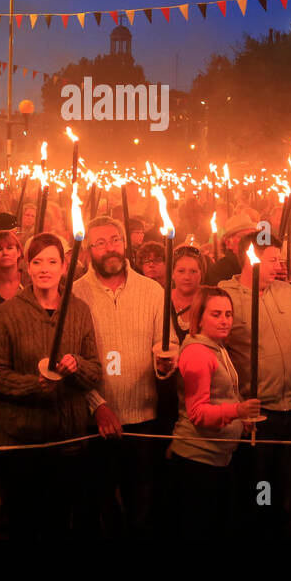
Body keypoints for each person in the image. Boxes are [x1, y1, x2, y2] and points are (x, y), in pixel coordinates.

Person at [0, 232, 102, 539]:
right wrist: (33, 385)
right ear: (27, 266)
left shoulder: (78, 311)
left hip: (68, 438)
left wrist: (76, 365)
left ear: (65, 266)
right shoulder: (9, 313)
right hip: (23, 439)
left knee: (60, 520)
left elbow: (96, 370)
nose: (45, 269)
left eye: (52, 261)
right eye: (37, 262)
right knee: (24, 521)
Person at [71, 216, 176, 536]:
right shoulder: (75, 294)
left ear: (126, 243)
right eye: (100, 243)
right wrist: (97, 405)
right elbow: (71, 359)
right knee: (93, 509)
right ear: (88, 250)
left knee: (141, 508)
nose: (109, 248)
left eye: (115, 239)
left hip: (143, 419)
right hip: (94, 422)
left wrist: (164, 361)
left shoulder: (152, 290)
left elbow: (168, 342)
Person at [219, 230, 291, 538]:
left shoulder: (287, 293)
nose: (279, 266)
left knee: (286, 486)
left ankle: (282, 529)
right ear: (250, 260)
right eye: (272, 260)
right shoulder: (227, 297)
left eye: (280, 259)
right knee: (258, 487)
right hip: (257, 412)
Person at [168, 286, 259, 538]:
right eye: (216, 314)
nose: (224, 320)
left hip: (215, 458)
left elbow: (222, 397)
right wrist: (237, 410)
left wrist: (240, 421)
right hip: (197, 461)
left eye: (228, 314)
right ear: (199, 318)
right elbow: (197, 413)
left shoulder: (216, 347)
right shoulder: (198, 353)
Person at [168, 245, 208, 343]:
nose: (187, 277)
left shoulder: (209, 300)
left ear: (201, 273)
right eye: (181, 271)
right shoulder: (162, 299)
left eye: (193, 271)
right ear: (172, 273)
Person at [205, 214, 255, 285]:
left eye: (252, 235)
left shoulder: (262, 263)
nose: (249, 239)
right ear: (228, 243)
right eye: (242, 236)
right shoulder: (219, 270)